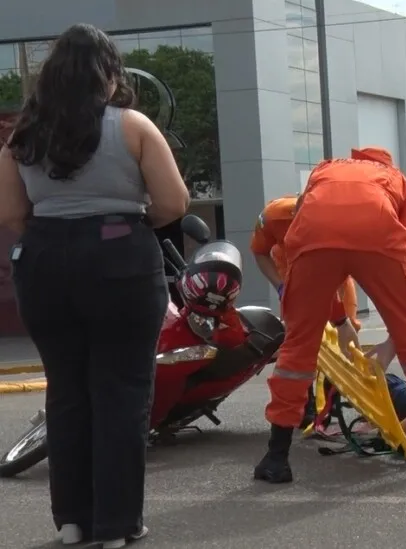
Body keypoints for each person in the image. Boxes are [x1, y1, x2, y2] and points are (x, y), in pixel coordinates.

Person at [0, 24, 189, 548]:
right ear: (109, 75)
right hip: (120, 258)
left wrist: (57, 229)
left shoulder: (23, 135)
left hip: (43, 262)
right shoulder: (133, 126)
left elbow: (11, 212)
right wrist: (120, 227)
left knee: (67, 393)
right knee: (122, 392)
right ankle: (117, 524)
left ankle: (72, 521)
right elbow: (173, 204)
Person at [254, 146, 406, 483]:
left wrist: (329, 313)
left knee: (297, 349)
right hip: (377, 235)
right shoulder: (395, 179)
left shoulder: (325, 169)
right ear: (385, 164)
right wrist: (404, 324)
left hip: (314, 240)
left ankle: (276, 457)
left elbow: (302, 228)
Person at [250, 193, 362, 429]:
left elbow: (327, 278)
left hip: (334, 274)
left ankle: (332, 403)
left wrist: (341, 320)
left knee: (345, 338)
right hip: (289, 271)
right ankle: (306, 406)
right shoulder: (273, 216)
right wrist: (280, 285)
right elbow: (259, 252)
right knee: (299, 341)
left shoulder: (334, 223)